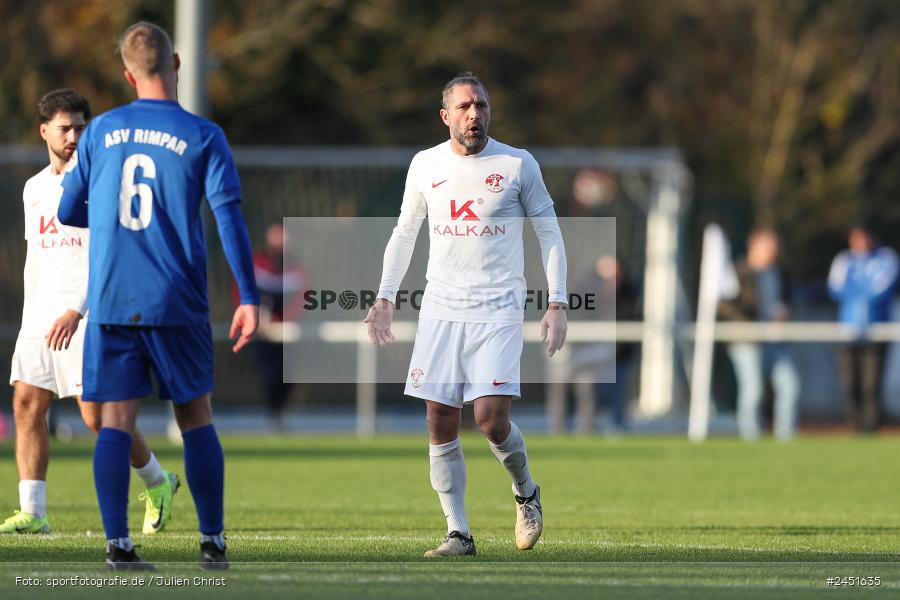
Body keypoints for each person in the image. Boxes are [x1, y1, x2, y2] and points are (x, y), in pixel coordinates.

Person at [58, 22, 259, 570]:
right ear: (176, 64)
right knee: (195, 417)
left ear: (128, 75)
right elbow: (228, 217)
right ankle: (212, 542)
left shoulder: (100, 131)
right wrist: (248, 295)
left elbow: (69, 210)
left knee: (115, 421)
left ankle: (118, 547)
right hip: (176, 298)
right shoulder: (202, 134)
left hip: (112, 299)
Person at [364, 73, 568, 557]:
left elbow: (550, 233)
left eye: (481, 105)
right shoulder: (425, 164)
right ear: (446, 116)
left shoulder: (517, 164)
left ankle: (526, 492)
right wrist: (384, 297)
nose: (474, 114)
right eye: (464, 107)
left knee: (491, 420)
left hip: (498, 309)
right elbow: (404, 233)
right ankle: (458, 533)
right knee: (439, 420)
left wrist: (557, 303)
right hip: (440, 309)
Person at [2, 89, 179, 537]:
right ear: (44, 131)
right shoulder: (33, 189)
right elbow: (40, 258)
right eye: (65, 128)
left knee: (97, 417)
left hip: (87, 315)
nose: (74, 137)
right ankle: (33, 512)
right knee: (27, 404)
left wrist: (76, 309)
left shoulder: (103, 184)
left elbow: (108, 257)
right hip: (39, 319)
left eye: (81, 128)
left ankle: (158, 481)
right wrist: (33, 316)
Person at [718, 228, 800, 440]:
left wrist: (785, 312)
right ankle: (750, 437)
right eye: (769, 246)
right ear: (754, 247)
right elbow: (724, 304)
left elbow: (788, 299)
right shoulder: (738, 272)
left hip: (776, 339)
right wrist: (750, 325)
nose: (774, 251)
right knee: (753, 390)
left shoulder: (780, 272)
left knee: (790, 385)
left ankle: (786, 437)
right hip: (746, 340)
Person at [827, 222, 898, 432]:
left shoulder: (886, 257)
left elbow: (882, 289)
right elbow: (835, 288)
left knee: (871, 384)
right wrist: (862, 290)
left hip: (876, 332)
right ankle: (854, 426)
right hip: (848, 332)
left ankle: (871, 428)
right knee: (850, 383)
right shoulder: (843, 260)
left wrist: (855, 290)